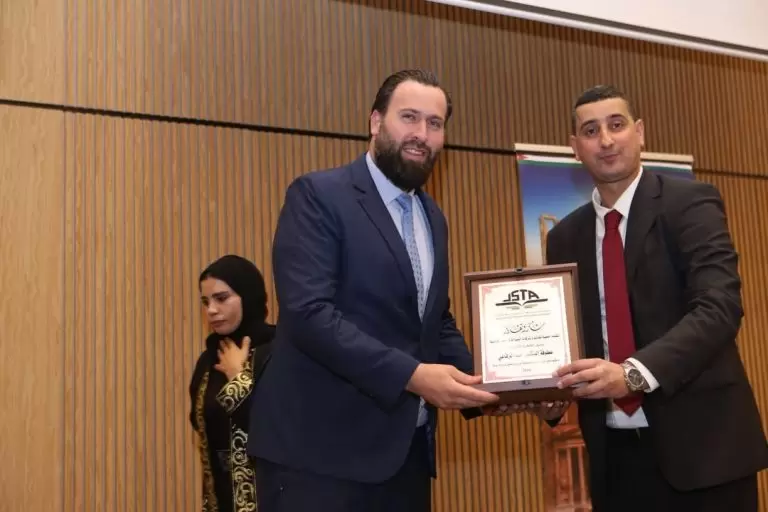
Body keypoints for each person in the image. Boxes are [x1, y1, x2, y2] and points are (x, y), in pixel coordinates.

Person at [247, 69, 499, 512]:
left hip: (404, 460)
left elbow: (433, 322)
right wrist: (413, 376)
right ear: (376, 121)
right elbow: (309, 314)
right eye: (409, 117)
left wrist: (494, 387)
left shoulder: (433, 217)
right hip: (316, 461)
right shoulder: (319, 195)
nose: (421, 134)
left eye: (435, 123)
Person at [544, 85, 768, 511]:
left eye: (616, 124)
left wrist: (632, 375)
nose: (605, 140)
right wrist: (545, 394)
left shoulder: (690, 203)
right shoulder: (563, 238)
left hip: (706, 453)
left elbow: (719, 307)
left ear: (640, 132)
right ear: (575, 148)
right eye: (590, 130)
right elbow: (568, 340)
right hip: (615, 460)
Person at [189, 254, 275, 512]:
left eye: (222, 298)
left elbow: (280, 427)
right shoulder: (209, 360)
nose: (211, 310)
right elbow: (201, 424)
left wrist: (239, 378)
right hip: (221, 499)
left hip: (272, 498)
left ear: (248, 297)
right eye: (206, 302)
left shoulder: (279, 351)